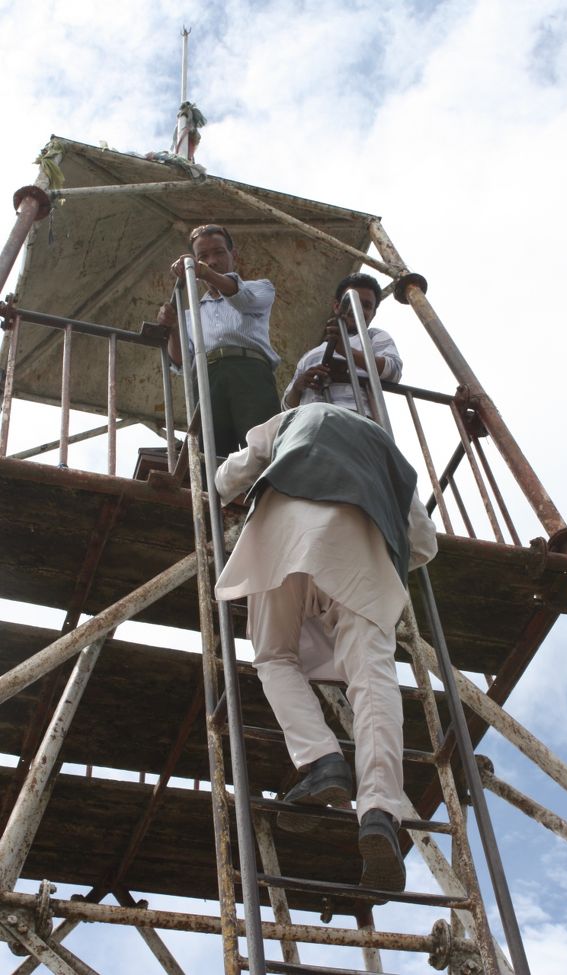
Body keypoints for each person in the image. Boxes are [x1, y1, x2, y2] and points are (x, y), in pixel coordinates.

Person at [214, 403, 438, 891]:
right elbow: (423, 541)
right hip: (365, 549)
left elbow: (230, 477)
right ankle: (380, 810)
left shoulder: (294, 416)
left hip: (288, 531)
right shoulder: (390, 454)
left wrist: (220, 486)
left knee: (275, 655)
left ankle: (320, 760)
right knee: (373, 680)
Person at [157, 224, 281, 456]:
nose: (211, 261)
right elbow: (181, 363)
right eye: (203, 256)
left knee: (263, 446)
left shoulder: (260, 288)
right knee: (210, 451)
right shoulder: (191, 313)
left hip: (250, 372)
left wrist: (203, 272)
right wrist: (173, 328)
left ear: (233, 255)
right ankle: (212, 492)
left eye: (219, 252)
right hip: (207, 376)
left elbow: (241, 299)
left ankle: (267, 491)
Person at [282, 272, 402, 416]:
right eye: (352, 301)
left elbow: (394, 371)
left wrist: (346, 350)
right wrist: (297, 387)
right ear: (337, 306)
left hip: (355, 421)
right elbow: (286, 408)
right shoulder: (310, 355)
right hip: (310, 425)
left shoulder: (373, 336)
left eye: (367, 306)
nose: (358, 309)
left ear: (373, 314)